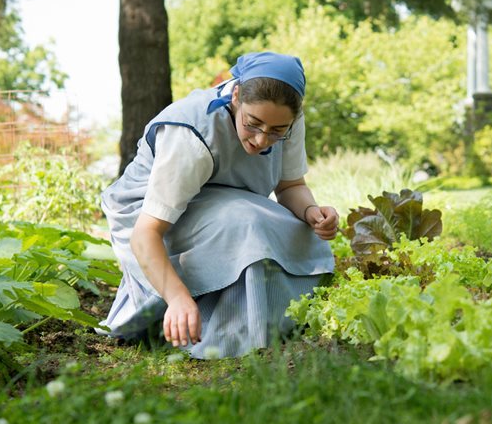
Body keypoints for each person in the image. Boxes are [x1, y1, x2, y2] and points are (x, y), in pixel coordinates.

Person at [98, 51, 338, 358]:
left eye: (277, 131)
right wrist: (177, 297)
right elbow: (146, 234)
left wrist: (310, 212)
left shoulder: (286, 120)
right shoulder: (192, 134)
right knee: (247, 223)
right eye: (253, 124)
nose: (262, 140)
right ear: (236, 95)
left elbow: (290, 186)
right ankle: (219, 332)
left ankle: (269, 321)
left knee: (294, 229)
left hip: (226, 205)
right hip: (145, 217)